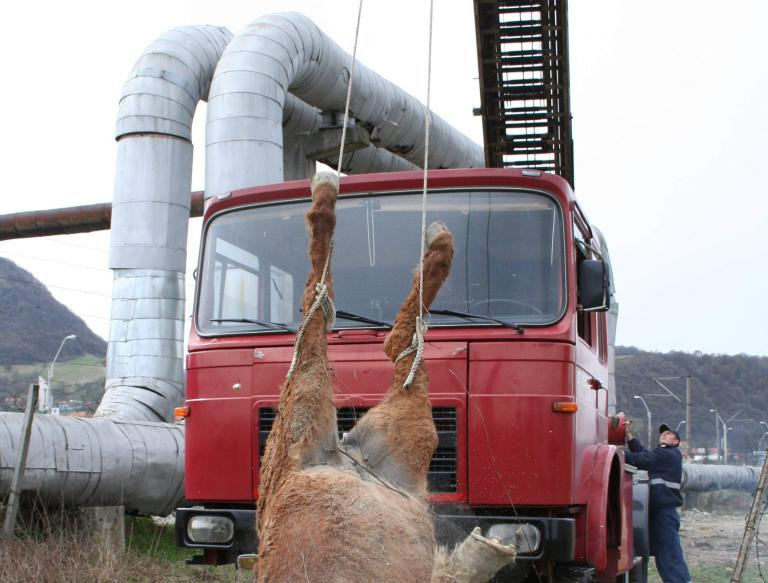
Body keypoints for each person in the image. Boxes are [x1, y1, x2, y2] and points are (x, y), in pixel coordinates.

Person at [625, 423, 691, 583]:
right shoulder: (663, 455)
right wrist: (628, 435)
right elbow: (644, 453)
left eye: (668, 433)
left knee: (670, 554)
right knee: (664, 556)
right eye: (662, 433)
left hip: (664, 513)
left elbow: (639, 459)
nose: (663, 434)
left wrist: (612, 451)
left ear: (676, 442)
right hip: (661, 512)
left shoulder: (668, 454)